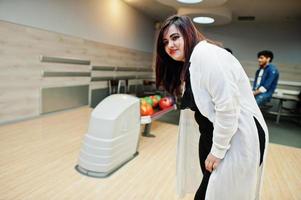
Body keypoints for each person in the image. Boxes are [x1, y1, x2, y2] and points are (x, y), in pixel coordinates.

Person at [155, 15, 269, 200]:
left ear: (188, 34)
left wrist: (217, 150)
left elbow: (227, 107)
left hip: (236, 136)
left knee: (213, 194)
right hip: (217, 135)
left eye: (175, 37)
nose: (170, 45)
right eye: (166, 42)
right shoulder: (192, 62)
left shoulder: (206, 55)